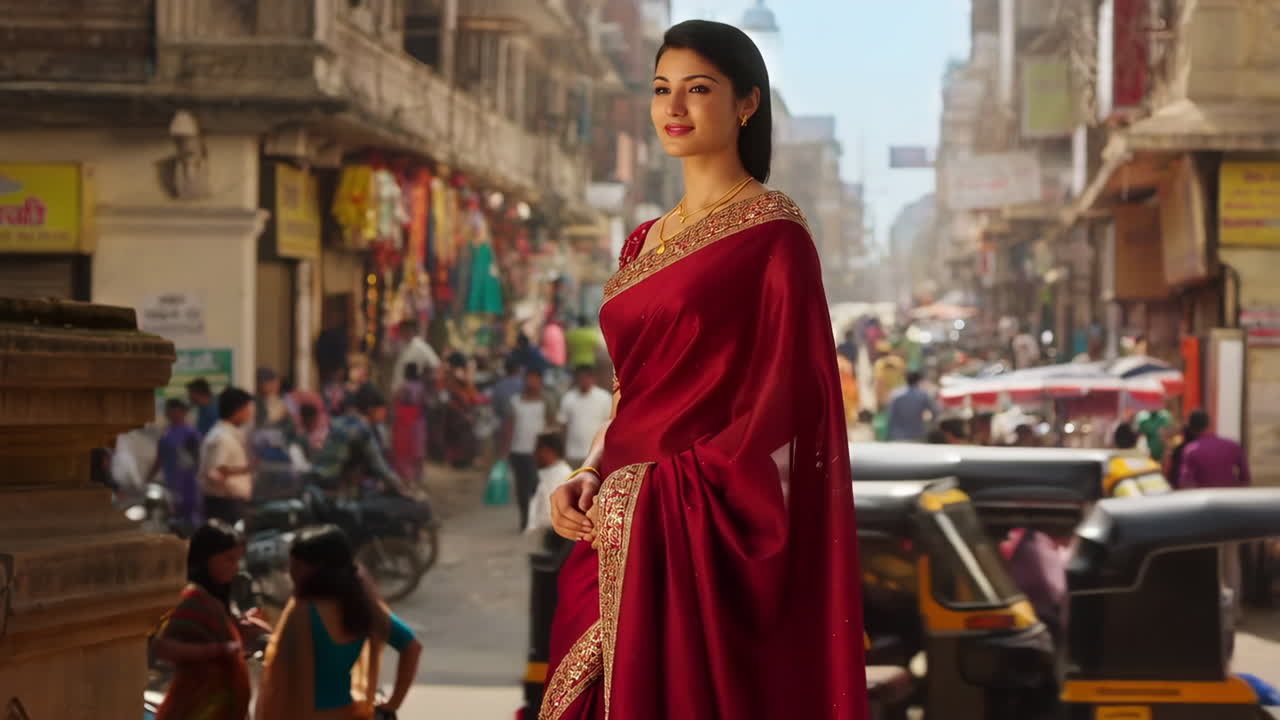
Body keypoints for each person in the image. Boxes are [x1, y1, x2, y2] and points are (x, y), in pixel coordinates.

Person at [541, 21, 864, 720]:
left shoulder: (775, 234)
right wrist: (589, 473)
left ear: (747, 103)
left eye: (698, 90)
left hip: (696, 536)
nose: (674, 109)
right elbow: (634, 394)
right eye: (661, 90)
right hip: (611, 530)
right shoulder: (642, 242)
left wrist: (650, 494)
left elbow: (783, 413)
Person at [256, 525, 422, 719]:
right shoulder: (363, 605)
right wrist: (392, 705)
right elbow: (412, 646)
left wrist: (259, 638)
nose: (292, 573)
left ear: (317, 568)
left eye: (297, 566)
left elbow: (286, 662)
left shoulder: (303, 611)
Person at [152, 521, 263, 720]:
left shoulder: (215, 600)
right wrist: (217, 651)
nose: (235, 568)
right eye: (228, 560)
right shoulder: (192, 598)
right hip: (197, 709)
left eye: (237, 560)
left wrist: (240, 631)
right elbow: (163, 647)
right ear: (205, 558)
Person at [311, 385, 402, 496]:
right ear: (371, 410)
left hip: (317, 478)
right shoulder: (363, 428)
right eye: (382, 410)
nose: (385, 414)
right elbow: (378, 465)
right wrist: (399, 485)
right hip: (333, 485)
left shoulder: (340, 420)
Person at [198, 387, 255, 523]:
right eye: (248, 409)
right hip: (224, 504)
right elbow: (214, 473)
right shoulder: (222, 437)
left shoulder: (228, 434)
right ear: (238, 410)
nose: (250, 413)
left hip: (230, 503)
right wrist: (245, 470)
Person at [147, 398, 203, 532]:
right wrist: (148, 479)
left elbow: (199, 459)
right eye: (170, 411)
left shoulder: (191, 433)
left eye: (176, 411)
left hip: (189, 484)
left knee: (190, 518)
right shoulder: (166, 433)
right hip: (171, 483)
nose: (172, 414)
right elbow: (159, 458)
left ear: (183, 413)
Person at [509, 368, 555, 531]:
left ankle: (537, 519)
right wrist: (505, 450)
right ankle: (525, 519)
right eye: (529, 379)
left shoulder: (546, 401)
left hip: (539, 452)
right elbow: (509, 426)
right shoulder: (516, 401)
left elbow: (551, 424)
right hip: (519, 451)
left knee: (538, 486)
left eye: (535, 379)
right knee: (522, 488)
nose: (532, 383)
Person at [558, 365, 614, 469]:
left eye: (586, 377)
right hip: (573, 454)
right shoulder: (568, 398)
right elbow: (563, 426)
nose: (583, 380)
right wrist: (562, 450)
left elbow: (609, 425)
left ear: (592, 378)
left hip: (595, 453)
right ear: (577, 379)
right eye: (581, 378)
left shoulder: (604, 398)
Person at [1180, 410, 1250, 489]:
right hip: (1228, 496)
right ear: (1210, 424)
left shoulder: (1191, 450)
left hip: (1203, 497)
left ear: (1191, 428)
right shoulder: (1232, 445)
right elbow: (1245, 477)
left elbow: (1185, 481)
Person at [527, 432, 575, 535]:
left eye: (538, 449)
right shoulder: (546, 473)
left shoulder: (561, 475)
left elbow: (548, 516)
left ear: (548, 451)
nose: (534, 454)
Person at [391, 362, 430, 487]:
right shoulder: (421, 387)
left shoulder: (403, 386)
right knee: (417, 449)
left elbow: (396, 401)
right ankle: (418, 476)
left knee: (404, 449)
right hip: (418, 420)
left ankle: (406, 476)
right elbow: (425, 403)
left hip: (403, 421)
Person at [885, 371, 939, 442]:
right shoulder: (922, 395)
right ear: (918, 381)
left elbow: (891, 415)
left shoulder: (896, 394)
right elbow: (935, 411)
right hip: (917, 433)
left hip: (898, 435)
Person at [392, 320, 442, 394]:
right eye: (402, 331)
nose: (403, 333)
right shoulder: (404, 346)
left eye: (406, 330)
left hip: (414, 395)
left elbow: (436, 366)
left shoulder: (420, 347)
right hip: (401, 394)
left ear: (412, 331)